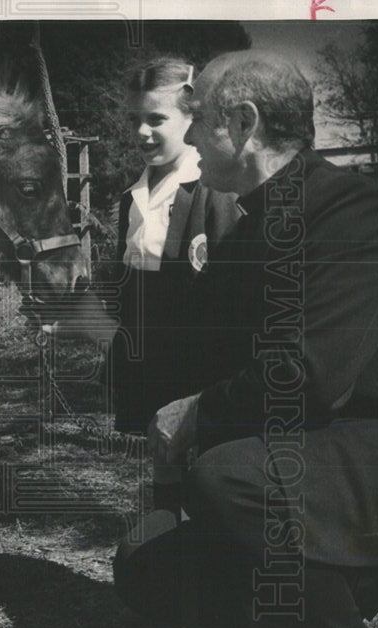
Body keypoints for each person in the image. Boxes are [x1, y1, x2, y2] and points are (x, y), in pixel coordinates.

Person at [112, 50, 378, 628]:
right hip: (310, 468)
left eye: (199, 118)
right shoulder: (250, 228)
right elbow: (189, 354)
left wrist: (200, 413)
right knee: (144, 563)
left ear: (242, 123)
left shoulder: (352, 212)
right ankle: (338, 588)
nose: (185, 135)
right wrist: (95, 327)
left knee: (233, 476)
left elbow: (310, 376)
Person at [108, 57, 240, 442]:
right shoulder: (131, 198)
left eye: (156, 119)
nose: (142, 132)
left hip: (199, 368)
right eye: (134, 120)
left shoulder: (213, 189)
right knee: (163, 466)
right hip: (149, 365)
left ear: (190, 118)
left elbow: (232, 297)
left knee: (203, 473)